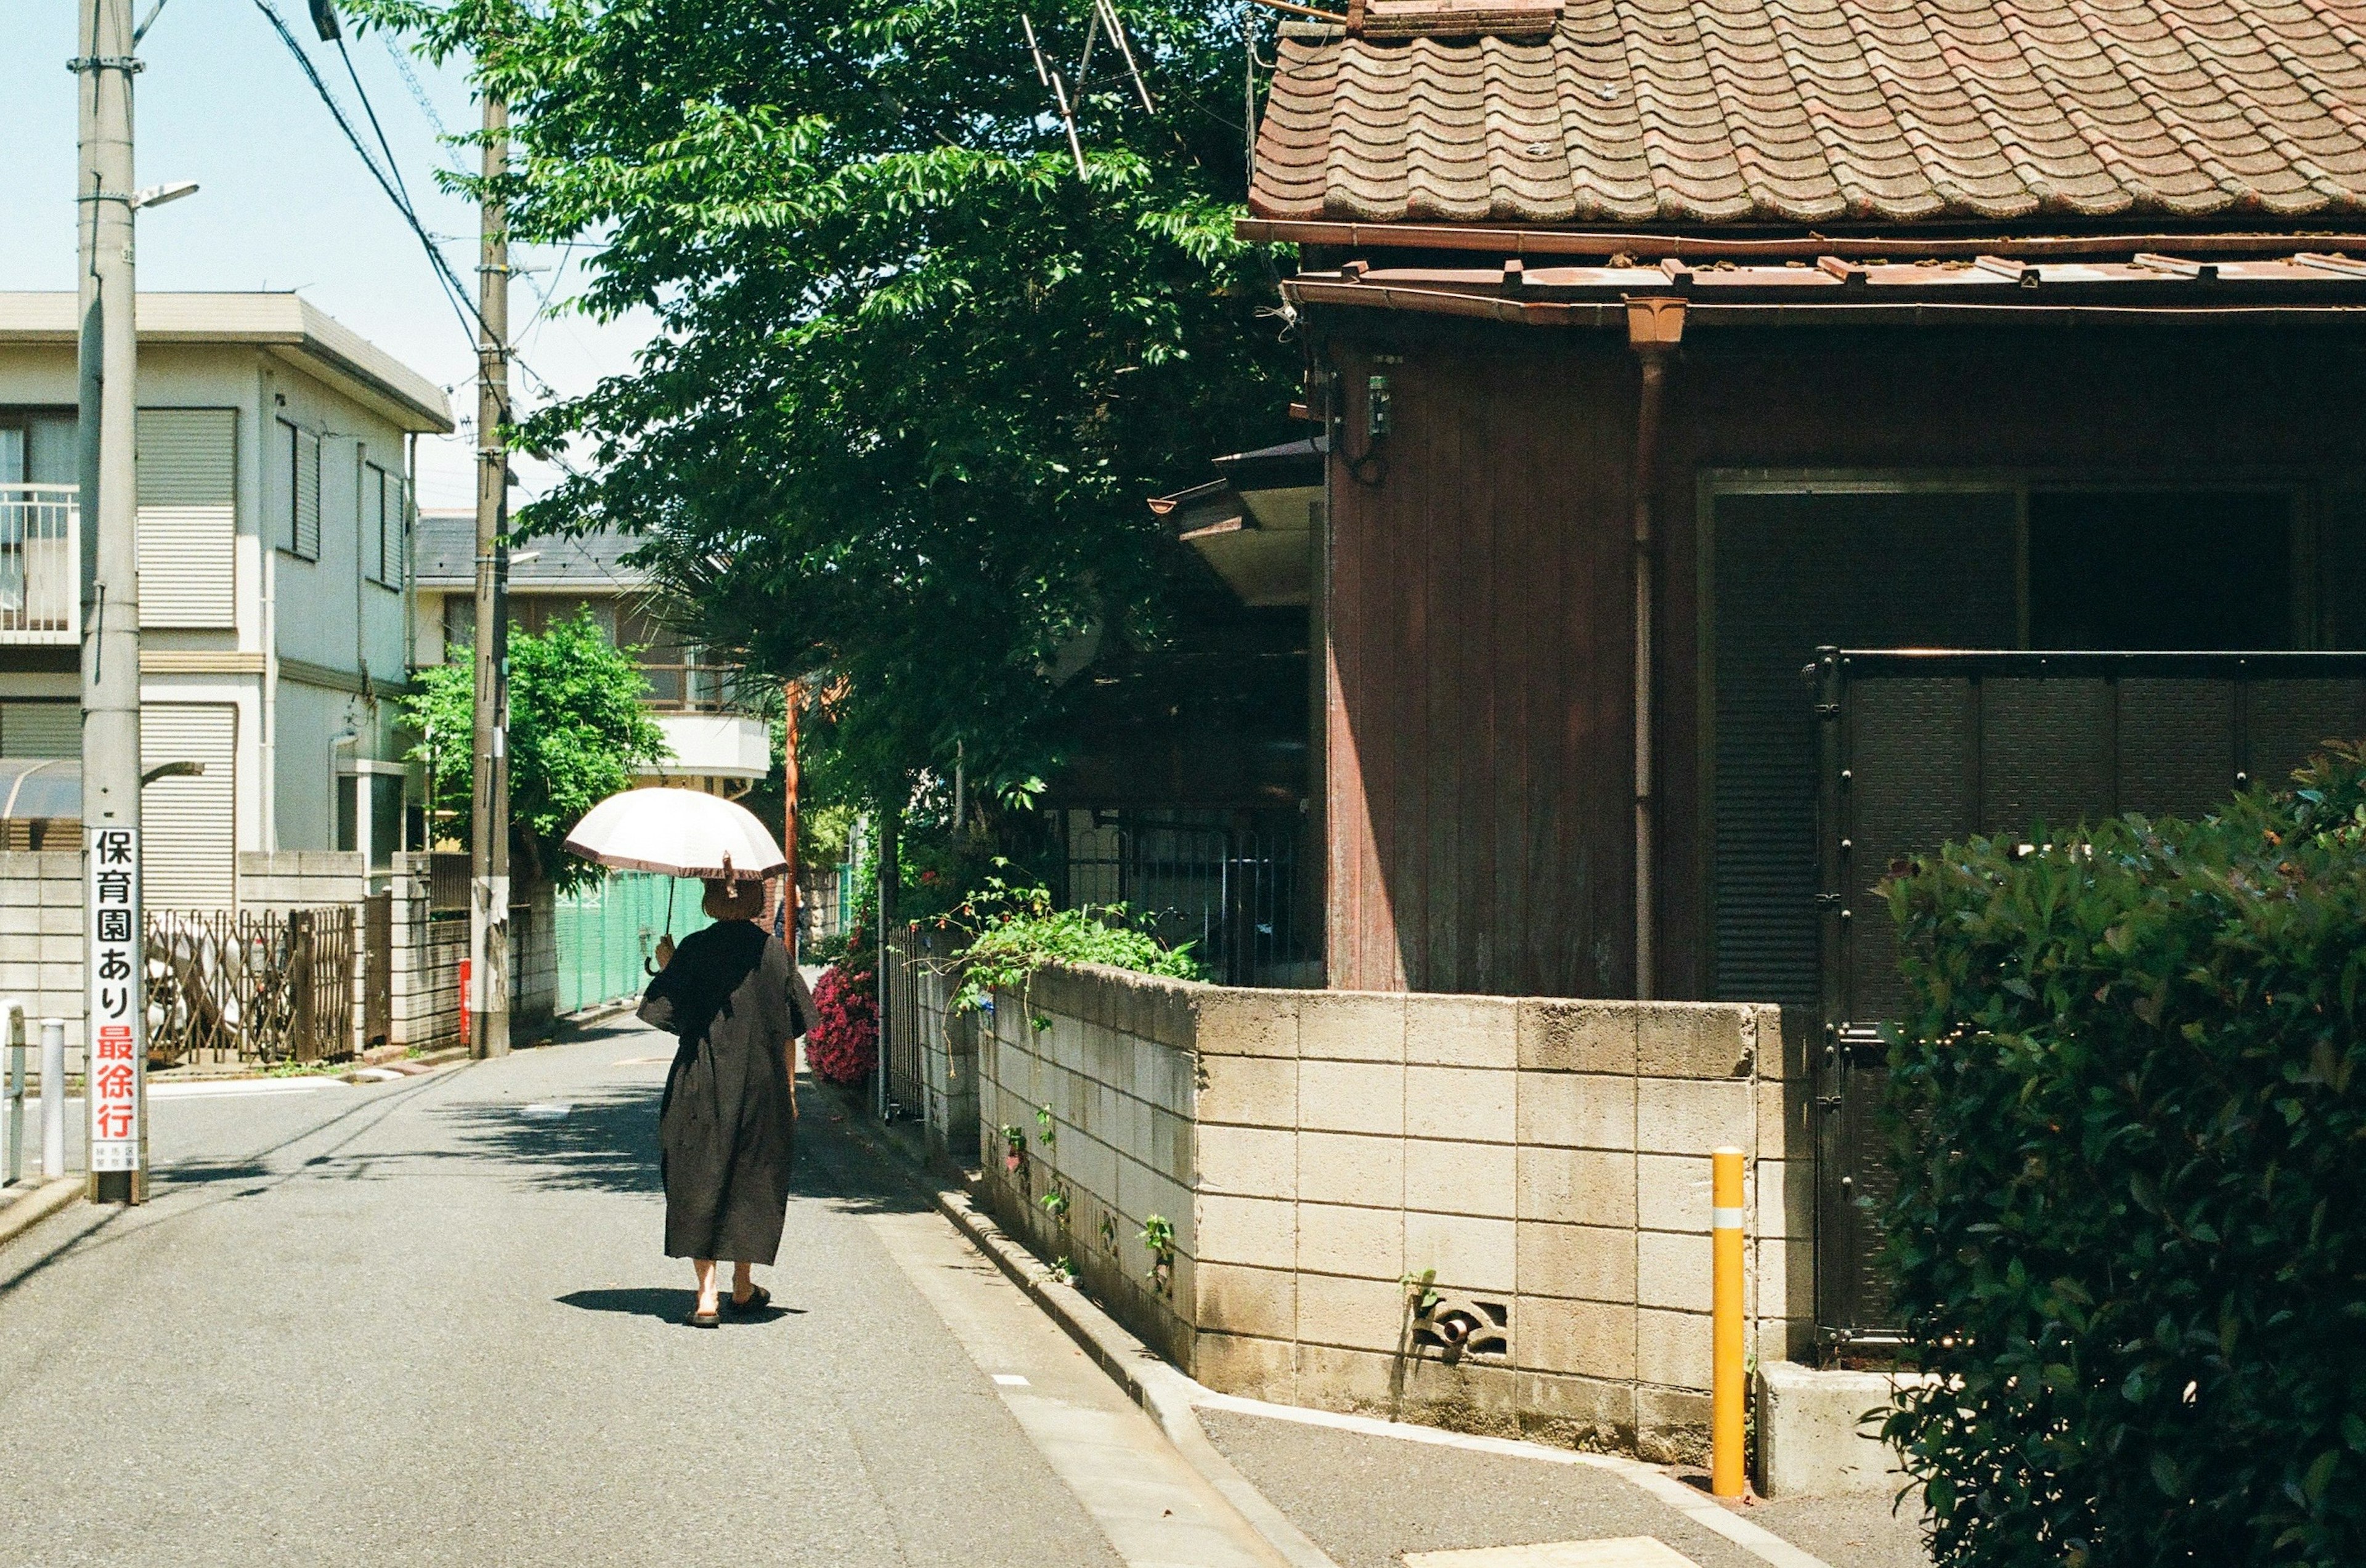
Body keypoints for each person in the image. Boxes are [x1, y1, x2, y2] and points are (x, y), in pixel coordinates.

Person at [636, 875, 816, 1327]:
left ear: (709, 899)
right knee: (751, 1176)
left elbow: (669, 1013)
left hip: (700, 1079)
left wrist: (670, 963)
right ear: (757, 900)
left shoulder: (695, 948)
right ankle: (742, 1283)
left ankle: (706, 1294)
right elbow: (790, 1029)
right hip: (762, 1086)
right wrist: (791, 1090)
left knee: (697, 1173)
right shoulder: (771, 952)